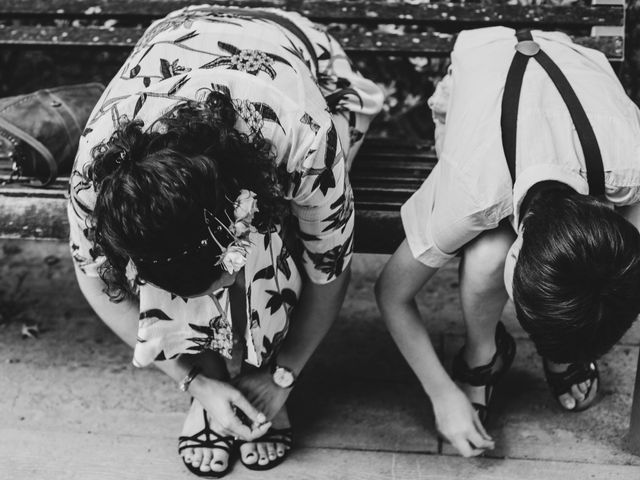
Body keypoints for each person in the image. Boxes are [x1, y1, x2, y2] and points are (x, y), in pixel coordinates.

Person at [68, 5, 383, 477]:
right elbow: (92, 278)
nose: (218, 293)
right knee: (173, 239)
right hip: (184, 31)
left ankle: (265, 366)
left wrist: (285, 375)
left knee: (280, 238)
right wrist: (195, 382)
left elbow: (330, 264)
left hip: (298, 57)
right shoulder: (99, 176)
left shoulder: (304, 138)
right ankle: (215, 380)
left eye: (220, 280)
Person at [375, 26, 640, 458]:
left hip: (571, 75)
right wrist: (441, 393)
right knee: (485, 256)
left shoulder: (632, 162)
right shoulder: (471, 189)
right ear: (520, 251)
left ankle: (562, 343)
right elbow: (391, 293)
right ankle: (482, 355)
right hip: (482, 90)